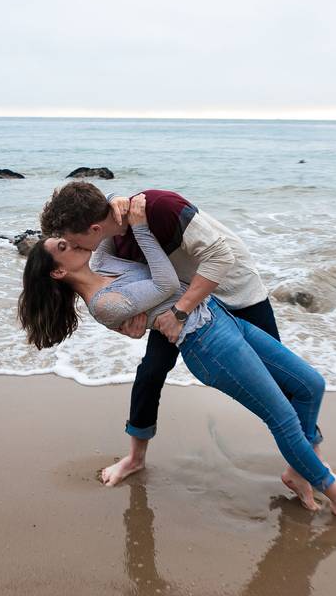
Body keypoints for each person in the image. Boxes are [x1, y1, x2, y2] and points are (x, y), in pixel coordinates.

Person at [19, 194, 336, 527]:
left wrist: (119, 204)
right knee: (281, 416)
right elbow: (165, 286)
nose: (73, 243)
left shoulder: (102, 262)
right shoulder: (103, 302)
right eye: (63, 246)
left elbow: (106, 228)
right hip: (205, 344)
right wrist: (144, 231)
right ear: (58, 271)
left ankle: (299, 473)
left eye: (68, 238)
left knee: (311, 384)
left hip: (221, 315)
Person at [39, 183, 321, 495]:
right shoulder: (109, 235)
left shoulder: (160, 207)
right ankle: (135, 458)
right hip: (180, 302)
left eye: (71, 240)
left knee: (285, 380)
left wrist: (178, 313)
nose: (74, 246)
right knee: (151, 372)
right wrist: (137, 322)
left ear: (91, 228)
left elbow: (219, 256)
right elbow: (127, 281)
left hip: (232, 291)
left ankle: (305, 462)